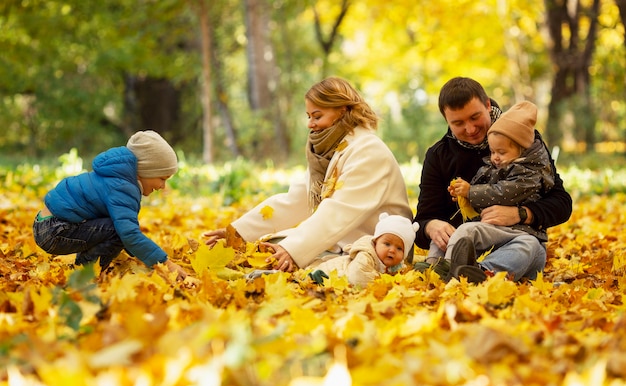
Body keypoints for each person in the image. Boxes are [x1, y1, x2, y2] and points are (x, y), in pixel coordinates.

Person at [203, 77, 412, 271]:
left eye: (317, 116)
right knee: (265, 248)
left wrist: (292, 251)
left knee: (283, 261)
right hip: (340, 241)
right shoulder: (332, 150)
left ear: (342, 110)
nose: (310, 124)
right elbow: (296, 200)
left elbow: (338, 212)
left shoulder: (368, 151)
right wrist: (239, 232)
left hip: (381, 250)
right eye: (309, 116)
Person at [413, 77, 572, 281]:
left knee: (531, 247)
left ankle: (480, 274)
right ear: (446, 120)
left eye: (475, 117)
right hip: (464, 242)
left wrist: (522, 214)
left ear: (488, 105)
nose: (470, 129)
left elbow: (561, 203)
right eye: (458, 123)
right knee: (454, 236)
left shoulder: (521, 139)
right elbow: (423, 219)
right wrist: (431, 226)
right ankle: (448, 270)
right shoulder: (439, 155)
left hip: (515, 243)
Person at [33, 130, 187, 280]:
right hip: (54, 231)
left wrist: (141, 253)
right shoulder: (123, 188)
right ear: (146, 170)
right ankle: (85, 275)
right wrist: (166, 264)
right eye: (162, 178)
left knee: (116, 228)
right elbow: (129, 234)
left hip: (45, 224)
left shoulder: (115, 177)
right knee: (118, 232)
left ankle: (83, 269)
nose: (163, 186)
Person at [435, 101, 555, 282]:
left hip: (525, 235)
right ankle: (447, 269)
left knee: (528, 246)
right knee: (466, 230)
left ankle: (485, 273)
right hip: (495, 231)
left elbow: (505, 192)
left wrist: (471, 192)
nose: (495, 157)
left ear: (522, 149)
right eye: (492, 151)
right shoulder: (494, 165)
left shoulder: (530, 172)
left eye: (501, 152)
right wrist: (461, 193)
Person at [308, 213, 419, 287]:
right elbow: (358, 277)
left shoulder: (397, 265)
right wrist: (384, 282)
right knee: (323, 279)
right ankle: (315, 276)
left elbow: (402, 276)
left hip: (348, 281)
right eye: (387, 244)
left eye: (399, 248)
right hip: (336, 272)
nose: (392, 250)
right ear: (375, 243)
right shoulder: (366, 256)